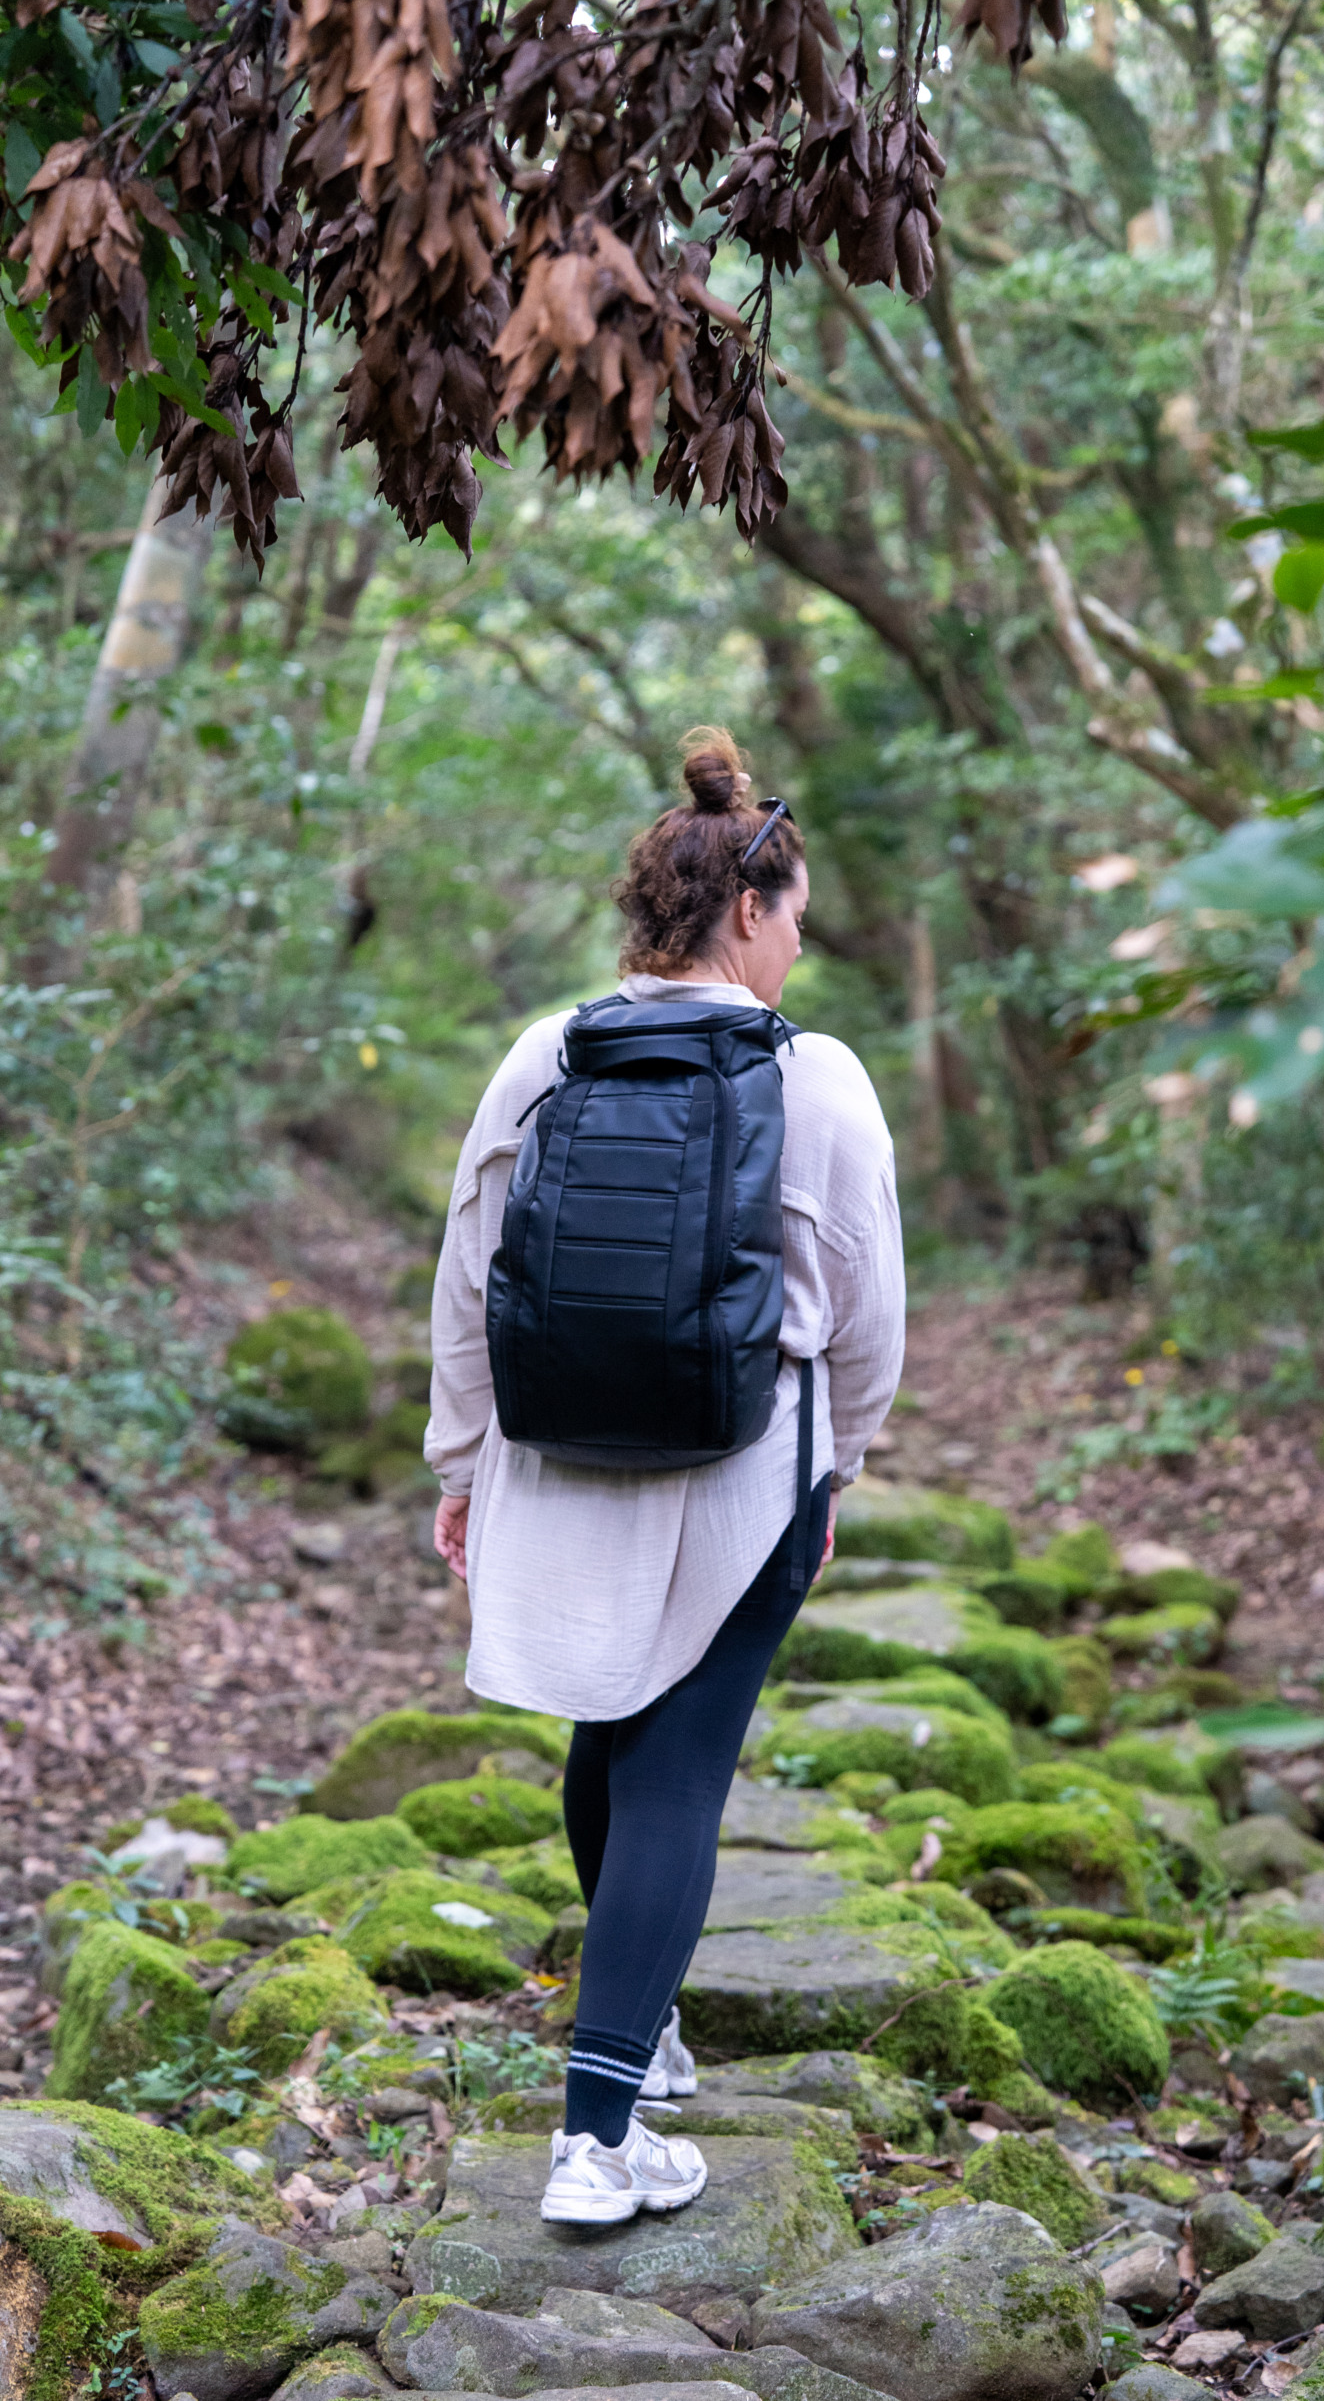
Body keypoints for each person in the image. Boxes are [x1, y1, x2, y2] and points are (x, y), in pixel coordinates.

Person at [424, 727, 906, 2227]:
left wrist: (460, 1456)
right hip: (744, 1459)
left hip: (560, 1450)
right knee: (682, 1773)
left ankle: (645, 2038)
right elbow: (867, 1306)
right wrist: (845, 1467)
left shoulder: (547, 1050)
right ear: (749, 914)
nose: (798, 951)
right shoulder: (814, 1074)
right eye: (797, 925)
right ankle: (597, 2134)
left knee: (609, 1748)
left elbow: (467, 1266)